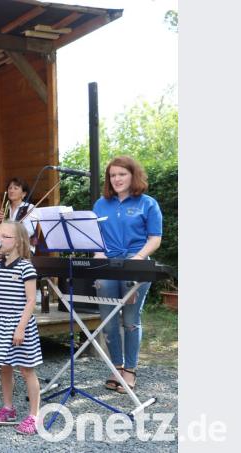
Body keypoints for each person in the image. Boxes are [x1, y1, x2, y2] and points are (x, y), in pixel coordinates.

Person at [93, 156, 162, 395]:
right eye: (112, 175)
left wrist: (139, 257)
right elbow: (96, 238)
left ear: (133, 175)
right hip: (107, 268)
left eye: (122, 174)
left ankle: (130, 370)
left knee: (131, 320)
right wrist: (98, 254)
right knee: (108, 320)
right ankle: (116, 367)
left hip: (136, 265)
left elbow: (155, 238)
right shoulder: (100, 204)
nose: (117, 179)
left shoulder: (148, 203)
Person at [0, 220, 43, 435]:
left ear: (18, 242)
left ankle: (34, 415)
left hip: (19, 324)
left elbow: (31, 300)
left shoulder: (26, 267)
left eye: (5, 237)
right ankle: (8, 408)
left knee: (26, 369)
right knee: (4, 366)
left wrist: (20, 328)